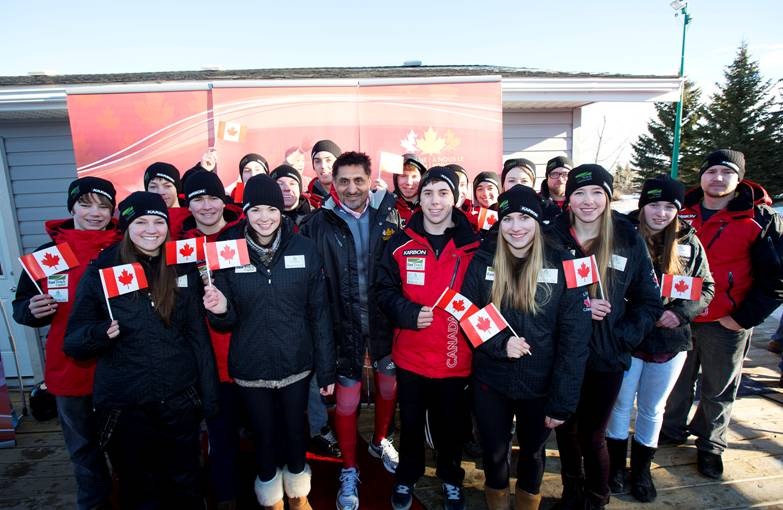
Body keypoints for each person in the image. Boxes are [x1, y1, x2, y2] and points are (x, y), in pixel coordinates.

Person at [63, 191, 219, 509]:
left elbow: (196, 337)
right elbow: (74, 341)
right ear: (127, 226)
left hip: (178, 398)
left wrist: (209, 397)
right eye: (141, 222)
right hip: (125, 405)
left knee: (185, 482)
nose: (151, 230)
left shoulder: (181, 266)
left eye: (158, 221)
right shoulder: (102, 271)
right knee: (139, 490)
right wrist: (97, 334)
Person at [203, 174, 335, 510]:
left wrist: (326, 369)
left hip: (295, 362)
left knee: (294, 431)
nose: (265, 217)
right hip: (250, 366)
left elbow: (319, 312)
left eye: (272, 209)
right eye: (256, 209)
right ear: (245, 212)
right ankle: (271, 498)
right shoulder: (228, 250)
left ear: (282, 211)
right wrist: (220, 309)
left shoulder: (303, 247)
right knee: (262, 435)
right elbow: (227, 318)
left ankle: (297, 491)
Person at [461, 184, 592, 510]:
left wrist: (563, 400)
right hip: (491, 380)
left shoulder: (564, 263)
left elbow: (575, 339)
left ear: (538, 221)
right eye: (508, 219)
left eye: (524, 218)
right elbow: (466, 314)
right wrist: (499, 344)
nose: (515, 227)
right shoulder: (482, 260)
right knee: (493, 450)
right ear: (499, 222)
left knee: (533, 453)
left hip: (541, 383)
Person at [661, 149, 783, 479]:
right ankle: (671, 430)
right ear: (701, 176)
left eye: (726, 173)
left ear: (739, 179)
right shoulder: (679, 212)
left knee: (718, 387)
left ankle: (711, 445)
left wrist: (743, 318)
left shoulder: (758, 219)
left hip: (725, 319)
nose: (717, 178)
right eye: (711, 171)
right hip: (681, 316)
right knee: (676, 383)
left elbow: (777, 277)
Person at [548, 164, 663, 509]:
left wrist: (622, 336)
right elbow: (534, 294)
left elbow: (649, 301)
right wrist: (572, 306)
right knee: (565, 430)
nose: (588, 201)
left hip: (606, 356)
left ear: (608, 197)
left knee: (592, 434)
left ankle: (597, 497)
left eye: (597, 193)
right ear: (568, 198)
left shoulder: (628, 239)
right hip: (561, 353)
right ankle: (571, 491)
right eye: (580, 193)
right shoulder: (551, 237)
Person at [299, 151, 402, 510]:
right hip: (342, 326)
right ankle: (348, 467)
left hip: (384, 323)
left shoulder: (389, 216)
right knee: (347, 401)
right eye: (343, 181)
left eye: (359, 180)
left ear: (370, 181)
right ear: (333, 183)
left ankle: (380, 440)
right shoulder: (315, 224)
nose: (351, 188)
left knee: (389, 386)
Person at [12, 177, 121, 510]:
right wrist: (31, 310)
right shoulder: (48, 255)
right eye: (86, 204)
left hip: (118, 368)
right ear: (72, 207)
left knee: (127, 449)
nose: (94, 213)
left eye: (103, 206)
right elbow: (22, 305)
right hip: (68, 370)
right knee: (84, 453)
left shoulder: (125, 248)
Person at [376, 167, 480, 510]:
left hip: (456, 356)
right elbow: (384, 290)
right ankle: (407, 475)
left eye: (442, 193)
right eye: (428, 194)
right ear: (417, 199)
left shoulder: (476, 245)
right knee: (411, 422)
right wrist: (406, 313)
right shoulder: (400, 243)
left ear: (456, 198)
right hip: (412, 356)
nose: (435, 202)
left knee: (451, 427)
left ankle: (451, 479)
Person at [605, 175, 714, 503]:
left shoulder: (689, 241)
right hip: (627, 337)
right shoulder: (622, 236)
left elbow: (706, 287)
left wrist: (681, 312)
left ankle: (641, 470)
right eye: (654, 204)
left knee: (653, 408)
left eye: (670, 206)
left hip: (668, 342)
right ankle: (614, 468)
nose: (661, 212)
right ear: (642, 206)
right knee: (621, 404)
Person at [180, 170, 244, 509]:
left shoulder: (242, 235)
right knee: (221, 439)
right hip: (205, 363)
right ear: (188, 205)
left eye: (212, 198)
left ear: (224, 200)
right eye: (198, 199)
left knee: (264, 436)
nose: (206, 206)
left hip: (248, 356)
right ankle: (226, 498)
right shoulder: (178, 247)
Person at [502, 157, 561, 224]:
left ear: (532, 184)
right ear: (503, 184)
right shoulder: (493, 210)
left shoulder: (548, 209)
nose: (518, 185)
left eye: (524, 181)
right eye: (511, 180)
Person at [144, 161, 190, 238]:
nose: (160, 192)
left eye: (167, 186)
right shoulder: (140, 217)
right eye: (153, 187)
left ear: (177, 189)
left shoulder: (195, 214)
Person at [306, 139, 342, 209]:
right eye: (317, 161)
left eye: (328, 160)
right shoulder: (306, 202)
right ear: (313, 166)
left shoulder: (354, 195)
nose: (323, 166)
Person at [393, 156, 425, 225]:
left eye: (414, 176)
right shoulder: (387, 205)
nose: (409, 182)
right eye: (403, 175)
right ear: (396, 179)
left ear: (422, 179)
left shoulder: (431, 206)